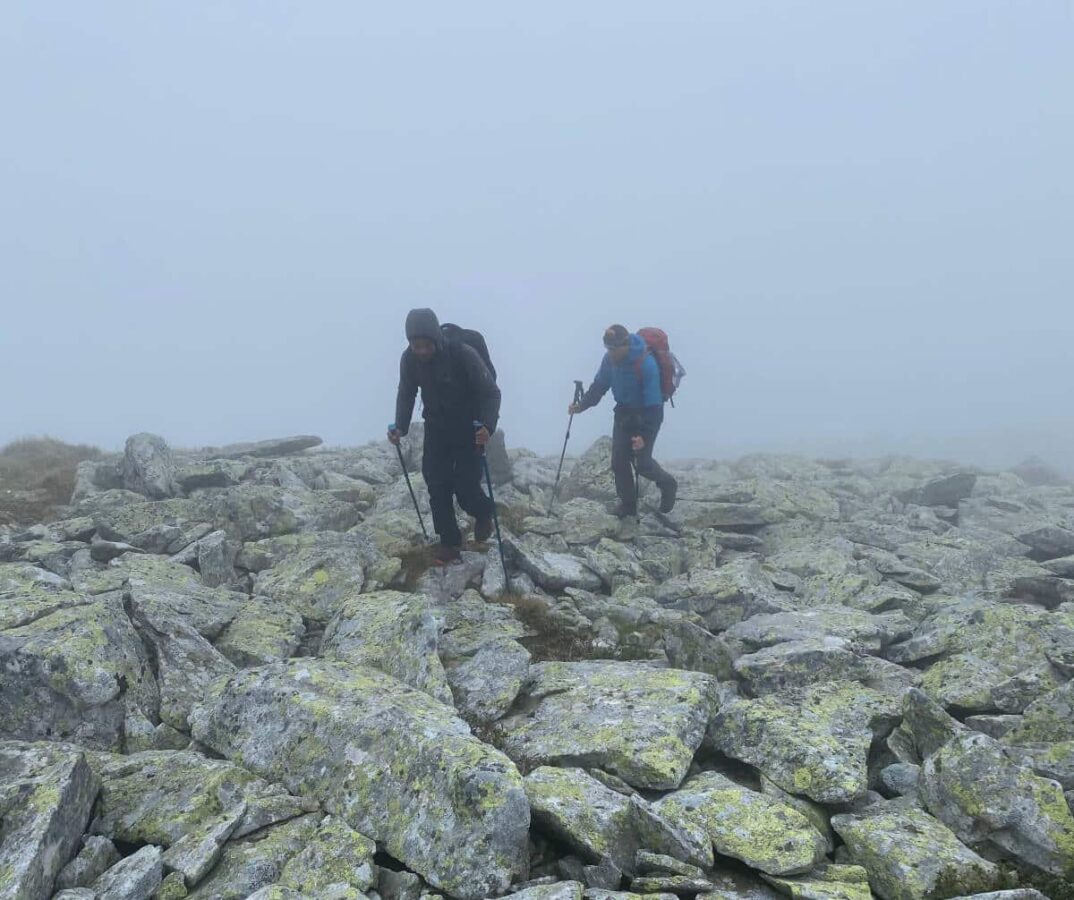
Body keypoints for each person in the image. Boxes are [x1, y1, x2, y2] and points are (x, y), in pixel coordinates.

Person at [389, 308, 500, 563]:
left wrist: (487, 427)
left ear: (435, 338)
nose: (421, 351)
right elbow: (406, 393)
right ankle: (449, 543)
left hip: (468, 427)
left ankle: (484, 513)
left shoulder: (462, 353)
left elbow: (491, 392)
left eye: (426, 345)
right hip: (436, 427)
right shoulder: (409, 360)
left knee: (465, 488)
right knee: (436, 484)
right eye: (416, 346)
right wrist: (400, 427)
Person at [569, 324, 678, 518]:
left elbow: (654, 405)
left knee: (642, 464)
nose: (610, 353)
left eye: (613, 349)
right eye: (608, 349)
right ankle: (628, 507)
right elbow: (599, 387)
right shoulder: (609, 361)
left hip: (647, 415)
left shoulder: (646, 364)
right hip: (623, 413)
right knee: (619, 462)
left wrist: (644, 436)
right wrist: (581, 406)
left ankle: (668, 483)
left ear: (625, 345)